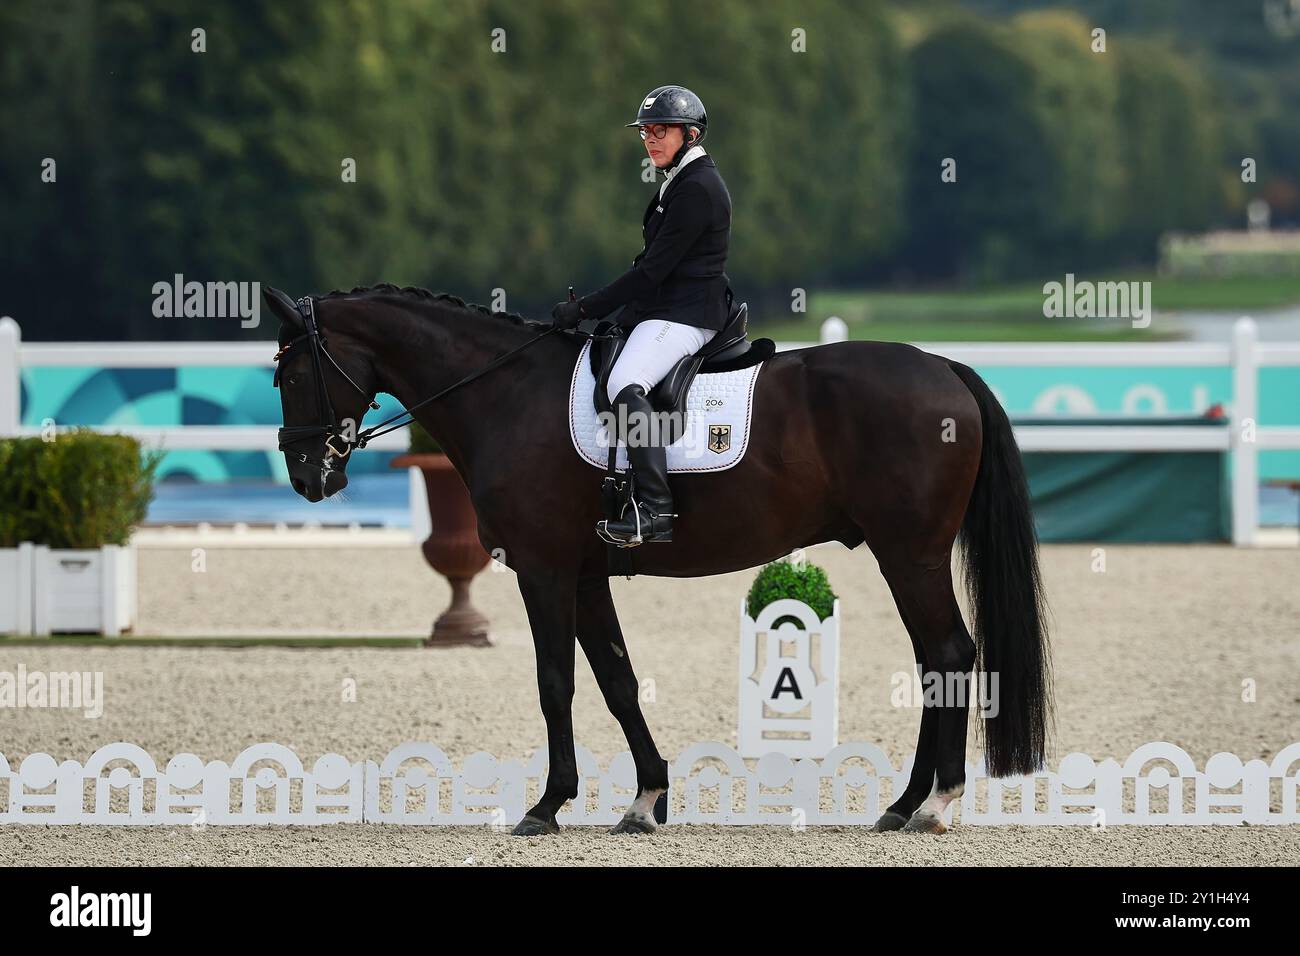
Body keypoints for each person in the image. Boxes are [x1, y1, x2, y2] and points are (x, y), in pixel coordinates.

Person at [552, 85, 733, 546]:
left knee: (623, 383)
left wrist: (586, 307)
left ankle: (654, 508)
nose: (651, 140)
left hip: (688, 314)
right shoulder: (678, 182)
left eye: (661, 131)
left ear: (690, 134)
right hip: (668, 308)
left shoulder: (697, 189)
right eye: (646, 132)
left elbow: (652, 272)